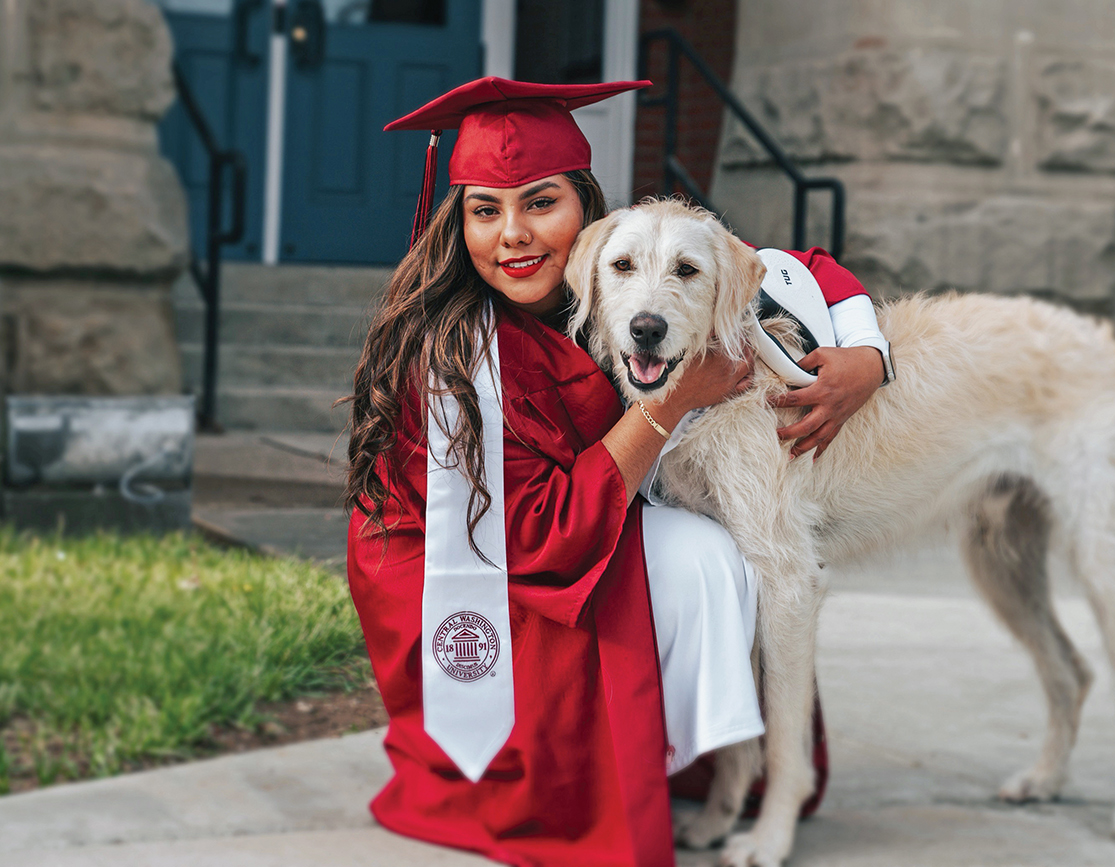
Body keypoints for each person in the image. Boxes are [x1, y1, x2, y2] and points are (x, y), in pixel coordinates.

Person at [344, 77, 892, 867]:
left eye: (541, 203)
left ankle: (693, 758)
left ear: (588, 213)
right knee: (700, 556)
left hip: (565, 532)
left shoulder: (617, 274)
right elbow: (538, 538)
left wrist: (870, 356)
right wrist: (672, 406)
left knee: (723, 544)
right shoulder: (459, 356)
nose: (514, 236)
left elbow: (793, 265)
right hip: (472, 576)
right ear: (457, 222)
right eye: (485, 210)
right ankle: (600, 764)